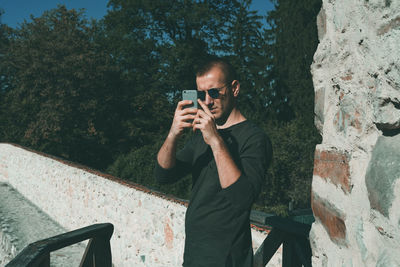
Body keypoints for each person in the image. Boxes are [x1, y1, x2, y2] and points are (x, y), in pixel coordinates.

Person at [154, 56, 272, 267]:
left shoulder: (254, 138)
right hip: (195, 254)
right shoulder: (202, 135)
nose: (207, 101)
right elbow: (163, 175)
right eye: (201, 94)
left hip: (227, 258)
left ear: (234, 88)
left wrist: (216, 140)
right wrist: (173, 134)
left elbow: (241, 199)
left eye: (214, 92)